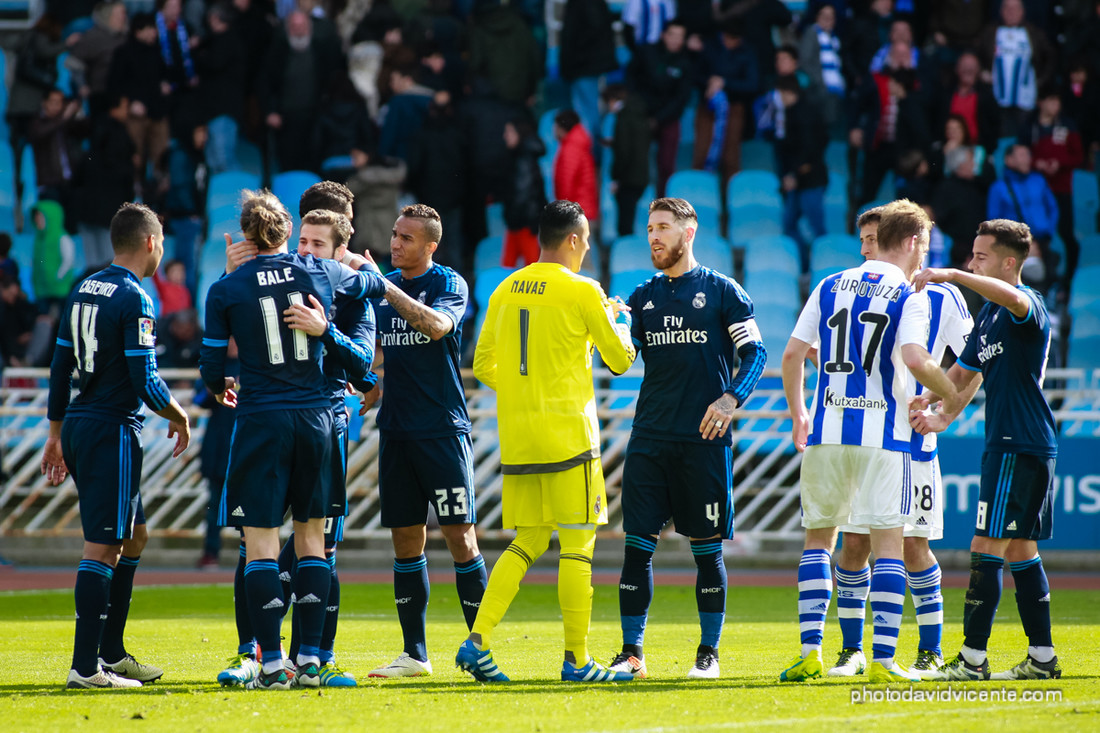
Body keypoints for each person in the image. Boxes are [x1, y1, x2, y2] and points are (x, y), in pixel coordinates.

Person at [199, 190, 387, 691]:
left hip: (261, 419)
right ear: (288, 233)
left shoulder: (226, 287)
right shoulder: (322, 273)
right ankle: (309, 662)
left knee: (259, 548)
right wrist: (357, 270)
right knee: (313, 544)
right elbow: (372, 285)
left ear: (244, 236)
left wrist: (222, 389)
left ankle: (270, 665)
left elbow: (211, 368)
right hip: (317, 420)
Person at [778, 199, 962, 684]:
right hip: (885, 437)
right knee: (888, 545)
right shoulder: (910, 293)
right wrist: (949, 398)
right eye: (922, 245)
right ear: (910, 242)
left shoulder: (828, 284)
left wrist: (800, 415)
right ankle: (882, 661)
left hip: (826, 432)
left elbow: (794, 355)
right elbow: (918, 360)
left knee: (819, 542)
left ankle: (809, 652)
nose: (924, 255)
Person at [457, 200, 637, 683]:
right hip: (569, 435)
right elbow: (620, 360)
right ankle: (577, 660)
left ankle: (478, 640)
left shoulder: (505, 286)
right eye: (586, 242)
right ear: (575, 239)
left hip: (519, 436)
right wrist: (623, 324)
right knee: (578, 545)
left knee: (528, 540)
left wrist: (526, 389)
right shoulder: (584, 289)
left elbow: (484, 362)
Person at [607, 197, 766, 680]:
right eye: (649, 228)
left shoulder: (723, 291)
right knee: (637, 547)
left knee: (706, 551)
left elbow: (755, 354)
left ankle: (708, 653)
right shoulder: (641, 296)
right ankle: (631, 653)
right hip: (649, 438)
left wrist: (730, 399)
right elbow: (620, 359)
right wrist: (611, 326)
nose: (653, 237)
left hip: (703, 440)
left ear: (688, 233)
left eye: (663, 228)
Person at [41, 202, 192, 689]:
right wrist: (179, 414)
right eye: (162, 241)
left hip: (83, 424)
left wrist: (54, 434)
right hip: (110, 429)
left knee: (135, 534)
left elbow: (60, 366)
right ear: (150, 242)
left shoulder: (84, 287)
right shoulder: (136, 298)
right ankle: (86, 668)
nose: (162, 248)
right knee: (104, 545)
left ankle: (111, 652)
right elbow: (144, 380)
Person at [826, 206, 975, 680]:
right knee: (853, 543)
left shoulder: (943, 297)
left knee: (913, 547)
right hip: (861, 439)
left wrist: (945, 412)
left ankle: (929, 650)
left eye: (873, 239)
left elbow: (975, 360)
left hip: (911, 444)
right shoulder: (854, 288)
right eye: (864, 241)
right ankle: (852, 651)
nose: (867, 249)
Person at [911, 218, 1061, 682]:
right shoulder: (989, 318)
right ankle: (1042, 658)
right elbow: (962, 375)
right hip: (1014, 443)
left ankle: (972, 659)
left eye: (980, 256)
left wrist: (951, 275)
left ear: (1009, 262)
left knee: (985, 545)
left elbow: (1014, 297)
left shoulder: (1025, 304)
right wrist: (935, 405)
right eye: (971, 256)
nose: (970, 262)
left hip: (1020, 442)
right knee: (1020, 549)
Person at [366, 204, 488, 679]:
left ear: (430, 246)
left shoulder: (448, 284)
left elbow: (436, 326)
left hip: (442, 430)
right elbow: (375, 349)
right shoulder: (382, 295)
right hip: (396, 431)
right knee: (405, 541)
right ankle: (414, 654)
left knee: (461, 537)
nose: (396, 244)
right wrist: (370, 381)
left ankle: (481, 646)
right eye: (395, 235)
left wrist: (386, 287)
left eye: (407, 238)